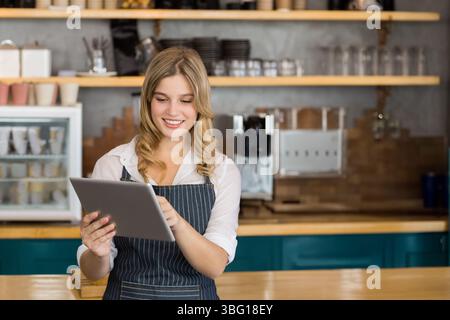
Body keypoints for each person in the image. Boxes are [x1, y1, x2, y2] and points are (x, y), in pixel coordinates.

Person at [76, 47, 241, 300]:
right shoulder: (113, 165)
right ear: (148, 101)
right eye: (162, 99)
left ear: (200, 104)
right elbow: (94, 272)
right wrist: (97, 253)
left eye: (186, 100)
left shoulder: (221, 170)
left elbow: (215, 265)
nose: (173, 112)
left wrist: (177, 223)